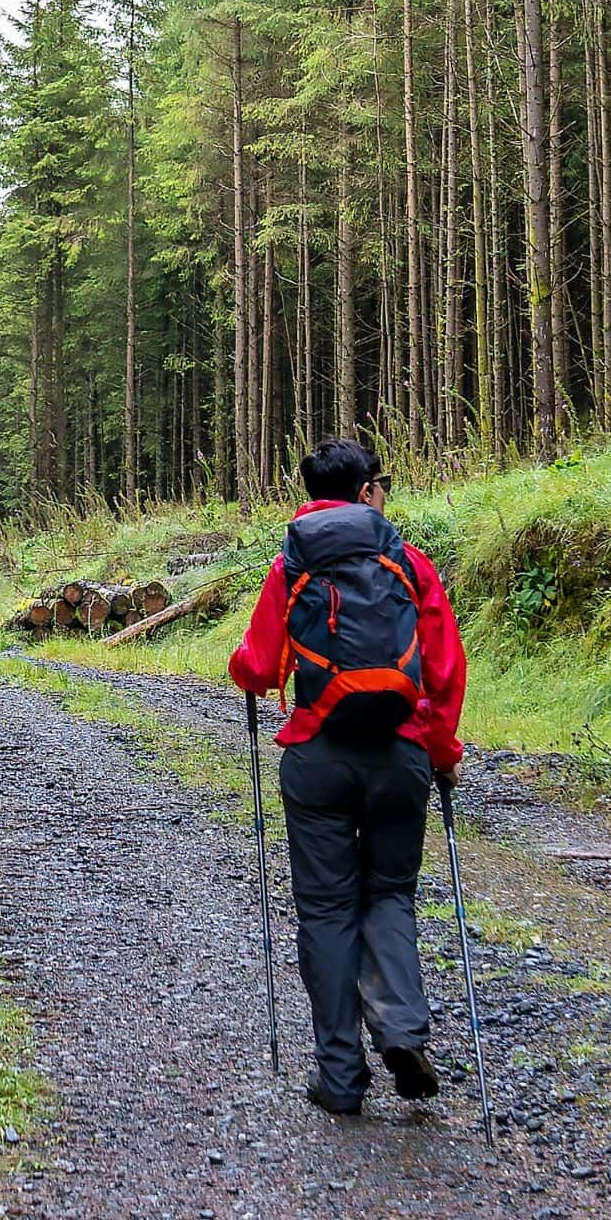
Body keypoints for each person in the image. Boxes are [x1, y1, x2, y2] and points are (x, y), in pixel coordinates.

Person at [228, 437, 470, 1115]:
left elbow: (255, 665)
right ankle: (402, 1031)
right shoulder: (408, 562)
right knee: (390, 893)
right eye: (381, 482)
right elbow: (446, 671)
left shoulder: (292, 565)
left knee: (328, 911)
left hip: (319, 755)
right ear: (366, 491)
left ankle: (339, 1078)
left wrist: (251, 667)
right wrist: (442, 754)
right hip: (400, 756)